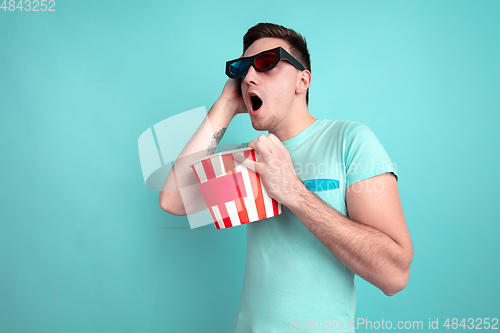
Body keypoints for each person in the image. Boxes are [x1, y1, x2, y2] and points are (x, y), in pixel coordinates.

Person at [160, 23, 413, 332]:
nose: (249, 77)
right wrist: (224, 106)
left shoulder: (350, 140)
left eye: (266, 64)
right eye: (241, 71)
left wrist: (292, 190)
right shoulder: (250, 157)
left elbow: (394, 275)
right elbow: (174, 199)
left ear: (302, 80)